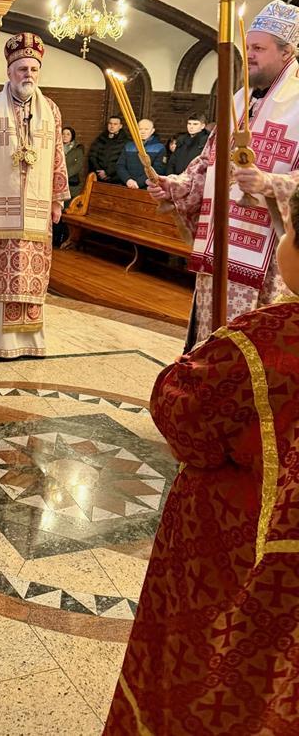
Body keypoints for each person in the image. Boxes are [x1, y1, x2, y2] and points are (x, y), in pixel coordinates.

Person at [104, 185, 299, 736]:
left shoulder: (264, 342)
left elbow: (184, 416)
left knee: (215, 680)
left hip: (242, 555)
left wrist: (208, 356)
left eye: (289, 230)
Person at [148, 0, 299, 347]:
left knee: (255, 345)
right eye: (248, 48)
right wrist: (176, 185)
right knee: (211, 337)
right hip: (221, 244)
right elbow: (208, 162)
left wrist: (269, 183)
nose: (250, 56)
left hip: (271, 258)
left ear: (286, 52)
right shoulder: (239, 101)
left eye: (258, 48)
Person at [0, 32, 69, 358]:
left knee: (31, 273)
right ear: (10, 72)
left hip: (37, 213)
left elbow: (58, 158)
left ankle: (28, 340)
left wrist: (56, 199)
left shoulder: (51, 111)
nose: (28, 75)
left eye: (33, 69)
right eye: (22, 69)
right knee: (0, 271)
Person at [53, 125, 84, 248]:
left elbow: (77, 167)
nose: (65, 136)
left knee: (65, 213)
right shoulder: (56, 148)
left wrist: (62, 175)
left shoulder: (77, 150)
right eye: (63, 133)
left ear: (72, 137)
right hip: (57, 185)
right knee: (56, 212)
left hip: (71, 186)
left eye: (68, 134)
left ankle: (63, 239)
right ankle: (54, 238)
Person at [116, 118, 167, 188]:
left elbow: (158, 170)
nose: (143, 132)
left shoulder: (159, 148)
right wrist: (128, 180)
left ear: (152, 131)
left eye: (146, 129)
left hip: (147, 187)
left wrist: (139, 183)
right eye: (140, 129)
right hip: (127, 185)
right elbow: (120, 165)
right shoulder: (128, 146)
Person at [87, 116, 128, 184]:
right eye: (110, 123)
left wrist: (108, 172)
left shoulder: (125, 141)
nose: (112, 126)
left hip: (116, 180)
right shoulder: (100, 138)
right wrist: (99, 171)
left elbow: (123, 161)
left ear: (120, 126)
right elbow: (92, 155)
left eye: (115, 124)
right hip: (98, 177)